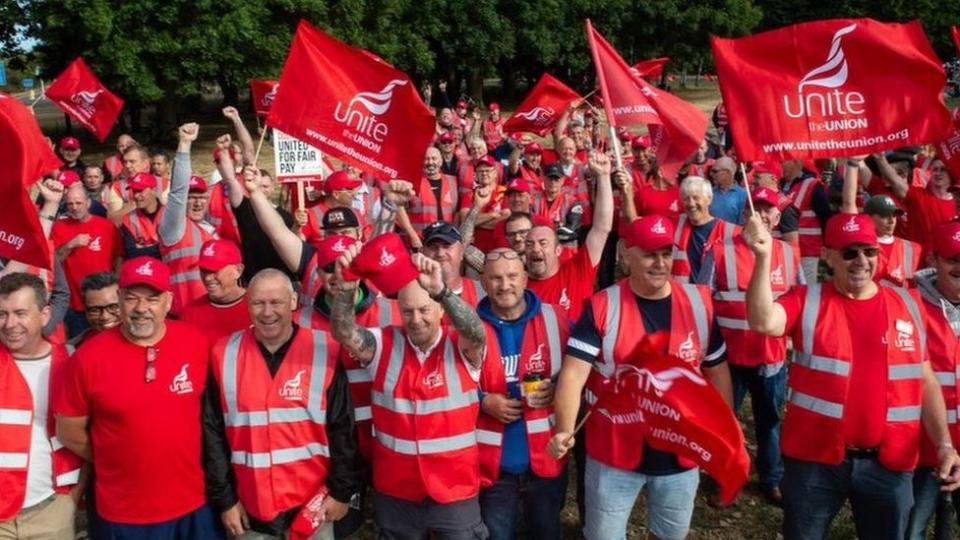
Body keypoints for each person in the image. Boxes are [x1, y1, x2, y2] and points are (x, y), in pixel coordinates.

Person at [744, 212, 960, 539]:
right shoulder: (808, 300)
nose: (861, 261)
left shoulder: (908, 303)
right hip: (815, 462)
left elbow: (925, 378)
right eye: (849, 252)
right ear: (828, 256)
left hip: (889, 464)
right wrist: (762, 257)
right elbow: (763, 321)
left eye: (868, 251)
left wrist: (944, 444)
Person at [549, 215, 732, 540]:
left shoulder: (699, 304)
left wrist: (724, 430)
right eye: (649, 254)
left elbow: (716, 369)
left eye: (666, 253)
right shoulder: (603, 307)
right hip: (614, 454)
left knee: (669, 534)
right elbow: (574, 376)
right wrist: (564, 430)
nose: (660, 263)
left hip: (680, 454)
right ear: (625, 253)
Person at [328, 241, 490, 539]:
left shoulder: (461, 345)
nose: (416, 319)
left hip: (455, 491)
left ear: (440, 309)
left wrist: (442, 290)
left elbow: (476, 332)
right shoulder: (383, 344)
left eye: (425, 309)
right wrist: (348, 285)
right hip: (397, 491)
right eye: (408, 311)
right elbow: (343, 332)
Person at [56, 257, 221, 538]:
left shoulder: (196, 342)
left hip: (194, 504)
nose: (141, 308)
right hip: (123, 512)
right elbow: (69, 430)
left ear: (168, 302)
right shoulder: (87, 358)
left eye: (152, 299)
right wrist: (118, 457)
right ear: (119, 299)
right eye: (131, 298)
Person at [203, 269, 363, 539]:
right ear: (247, 303)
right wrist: (226, 501)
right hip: (250, 512)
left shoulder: (324, 349)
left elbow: (342, 429)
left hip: (314, 507)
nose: (267, 313)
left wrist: (340, 492)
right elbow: (212, 435)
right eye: (258, 303)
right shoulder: (223, 353)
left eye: (276, 302)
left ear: (293, 302)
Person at [697, 187, 804, 505]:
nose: (765, 215)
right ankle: (726, 478)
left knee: (769, 421)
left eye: (770, 210)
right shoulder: (719, 251)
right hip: (728, 359)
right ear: (746, 215)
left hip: (770, 357)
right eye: (757, 209)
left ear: (777, 216)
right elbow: (702, 300)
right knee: (725, 421)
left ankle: (771, 478)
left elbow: (800, 301)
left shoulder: (787, 253)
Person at [476, 248, 569, 539]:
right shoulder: (467, 328)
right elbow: (445, 386)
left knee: (546, 533)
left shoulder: (557, 319)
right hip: (493, 466)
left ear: (526, 278)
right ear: (483, 282)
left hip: (546, 460)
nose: (505, 285)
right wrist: (482, 401)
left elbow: (580, 374)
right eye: (496, 278)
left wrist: (559, 390)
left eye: (512, 276)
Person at [0, 273, 82, 540]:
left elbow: (88, 435)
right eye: (2, 313)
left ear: (45, 314)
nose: (10, 324)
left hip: (52, 510)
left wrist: (73, 499)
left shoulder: (71, 363)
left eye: (20, 313)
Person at [906, 221, 960, 539]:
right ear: (933, 260)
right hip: (922, 452)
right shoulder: (908, 305)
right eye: (953, 259)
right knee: (911, 530)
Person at [526, 152, 613, 322]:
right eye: (529, 244)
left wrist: (603, 177)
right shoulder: (515, 285)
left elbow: (601, 228)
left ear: (558, 250)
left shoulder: (577, 273)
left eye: (543, 243)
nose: (536, 248)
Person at [214, 138, 298, 283]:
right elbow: (230, 180)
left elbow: (295, 246)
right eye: (259, 186)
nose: (263, 190)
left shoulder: (286, 216)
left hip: (283, 279)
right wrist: (223, 151)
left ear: (272, 188)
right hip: (254, 279)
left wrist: (298, 225)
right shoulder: (245, 208)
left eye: (266, 186)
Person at [51, 184, 121, 338]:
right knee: (82, 344)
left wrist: (117, 288)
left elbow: (119, 257)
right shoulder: (58, 227)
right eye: (70, 203)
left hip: (107, 304)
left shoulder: (106, 226)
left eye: (78, 203)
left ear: (88, 203)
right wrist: (70, 245)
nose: (74, 207)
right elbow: (53, 261)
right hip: (76, 304)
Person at [672, 176, 739, 282]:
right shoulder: (675, 225)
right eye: (686, 199)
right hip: (683, 295)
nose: (691, 204)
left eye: (696, 198)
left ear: (709, 199)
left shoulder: (731, 232)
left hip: (712, 296)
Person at [179, 239, 250, 340]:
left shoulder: (259, 306)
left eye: (214, 270)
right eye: (204, 270)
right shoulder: (190, 314)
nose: (208, 278)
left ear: (238, 271)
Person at [779, 159, 831, 283]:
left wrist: (828, 247)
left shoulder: (812, 185)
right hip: (785, 250)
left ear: (797, 163)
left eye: (784, 161)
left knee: (806, 289)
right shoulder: (781, 185)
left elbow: (826, 217)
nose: (781, 165)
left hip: (807, 251)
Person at [420, 221, 486, 306]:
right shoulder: (410, 293)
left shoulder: (482, 291)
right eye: (433, 247)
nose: (440, 253)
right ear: (422, 252)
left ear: (461, 252)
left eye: (447, 246)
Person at [862, 195, 921, 287]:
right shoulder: (859, 248)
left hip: (899, 300)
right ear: (868, 218)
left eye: (894, 215)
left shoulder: (912, 249)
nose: (891, 221)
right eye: (884, 216)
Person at [405, 147, 460, 242]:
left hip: (447, 239)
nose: (430, 162)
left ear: (441, 162)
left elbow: (458, 212)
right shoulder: (412, 183)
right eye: (426, 159)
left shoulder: (454, 182)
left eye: (434, 158)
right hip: (421, 240)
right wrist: (412, 235)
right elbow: (399, 211)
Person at [68, 272, 120, 348]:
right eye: (95, 310)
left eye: (113, 307)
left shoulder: (142, 346)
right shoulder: (74, 349)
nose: (105, 317)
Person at [707, 157, 747, 225]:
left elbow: (742, 225)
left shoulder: (743, 195)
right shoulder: (709, 192)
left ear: (727, 173)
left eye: (715, 171)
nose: (711, 174)